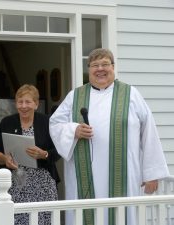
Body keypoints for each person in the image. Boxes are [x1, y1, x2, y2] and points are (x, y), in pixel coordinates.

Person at [49, 48, 170, 225]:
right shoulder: (75, 96)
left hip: (125, 176)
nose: (100, 69)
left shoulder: (131, 95)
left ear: (113, 67)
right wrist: (74, 130)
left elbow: (149, 133)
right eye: (95, 65)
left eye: (105, 64)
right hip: (84, 178)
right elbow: (55, 124)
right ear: (88, 69)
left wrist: (151, 173)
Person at [0, 84, 60, 225]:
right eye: (20, 102)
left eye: (28, 102)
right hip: (17, 182)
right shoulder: (7, 122)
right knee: (17, 220)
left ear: (36, 104)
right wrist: (5, 158)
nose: (24, 106)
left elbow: (59, 151)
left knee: (44, 220)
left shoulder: (47, 122)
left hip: (44, 183)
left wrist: (44, 154)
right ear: (16, 104)